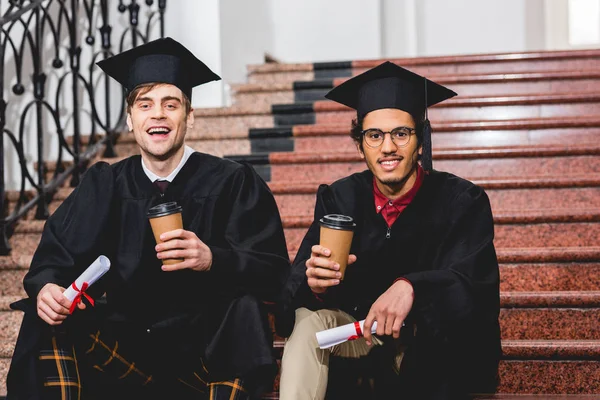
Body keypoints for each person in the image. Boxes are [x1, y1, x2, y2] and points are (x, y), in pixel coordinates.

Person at [7, 37, 290, 400]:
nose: (157, 114)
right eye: (145, 104)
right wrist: (47, 288)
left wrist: (213, 259)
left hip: (207, 359)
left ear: (189, 116)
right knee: (45, 316)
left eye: (170, 104)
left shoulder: (232, 182)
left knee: (243, 314)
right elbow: (54, 259)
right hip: (128, 355)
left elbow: (276, 272)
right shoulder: (106, 183)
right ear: (130, 118)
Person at [276, 62, 501, 399]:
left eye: (401, 133)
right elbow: (289, 299)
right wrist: (316, 287)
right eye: (374, 135)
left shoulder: (462, 202)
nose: (387, 148)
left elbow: (474, 291)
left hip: (429, 346)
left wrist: (412, 287)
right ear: (360, 144)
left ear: (421, 142)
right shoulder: (340, 199)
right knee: (308, 324)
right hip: (360, 336)